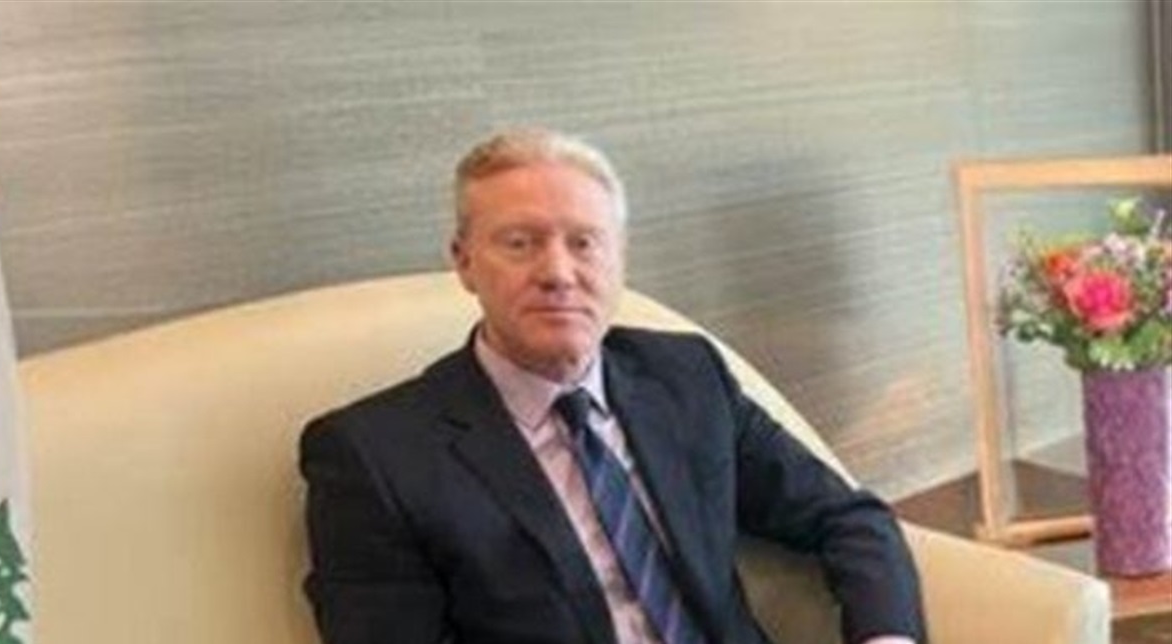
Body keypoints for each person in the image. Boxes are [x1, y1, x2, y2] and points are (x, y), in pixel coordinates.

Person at [299, 128, 925, 644]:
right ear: (463, 262)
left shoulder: (685, 377)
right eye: (520, 243)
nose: (558, 272)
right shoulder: (376, 456)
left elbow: (848, 517)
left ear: (618, 258)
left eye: (584, 242)